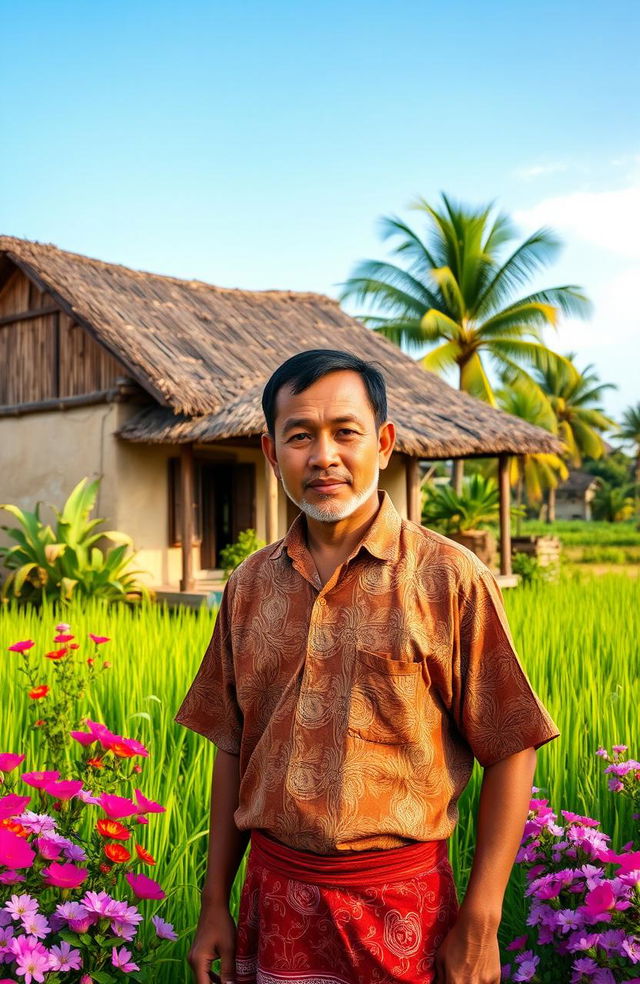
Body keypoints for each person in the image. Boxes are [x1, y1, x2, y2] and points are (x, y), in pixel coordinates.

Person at [175, 348, 559, 984]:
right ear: (272, 455)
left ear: (382, 444)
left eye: (344, 432)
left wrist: (482, 919)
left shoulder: (448, 578)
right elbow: (233, 743)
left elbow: (513, 743)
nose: (323, 455)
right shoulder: (247, 586)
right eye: (299, 436)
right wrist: (214, 903)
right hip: (272, 904)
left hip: (402, 911)